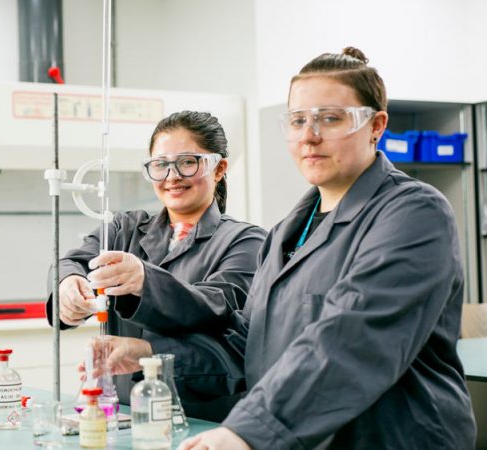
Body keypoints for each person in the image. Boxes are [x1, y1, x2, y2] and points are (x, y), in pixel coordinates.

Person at [175, 47, 477, 449]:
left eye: (331, 119)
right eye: (298, 120)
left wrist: (246, 431)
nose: (309, 135)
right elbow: (250, 343)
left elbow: (356, 336)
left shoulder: (414, 214)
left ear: (377, 126)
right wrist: (149, 356)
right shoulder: (286, 233)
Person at [46, 110, 266, 421]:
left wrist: (144, 281)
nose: (172, 176)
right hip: (121, 417)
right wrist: (68, 285)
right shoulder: (127, 229)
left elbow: (213, 305)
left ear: (219, 169)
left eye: (188, 162)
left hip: (200, 421)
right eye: (160, 165)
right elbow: (72, 261)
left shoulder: (246, 241)